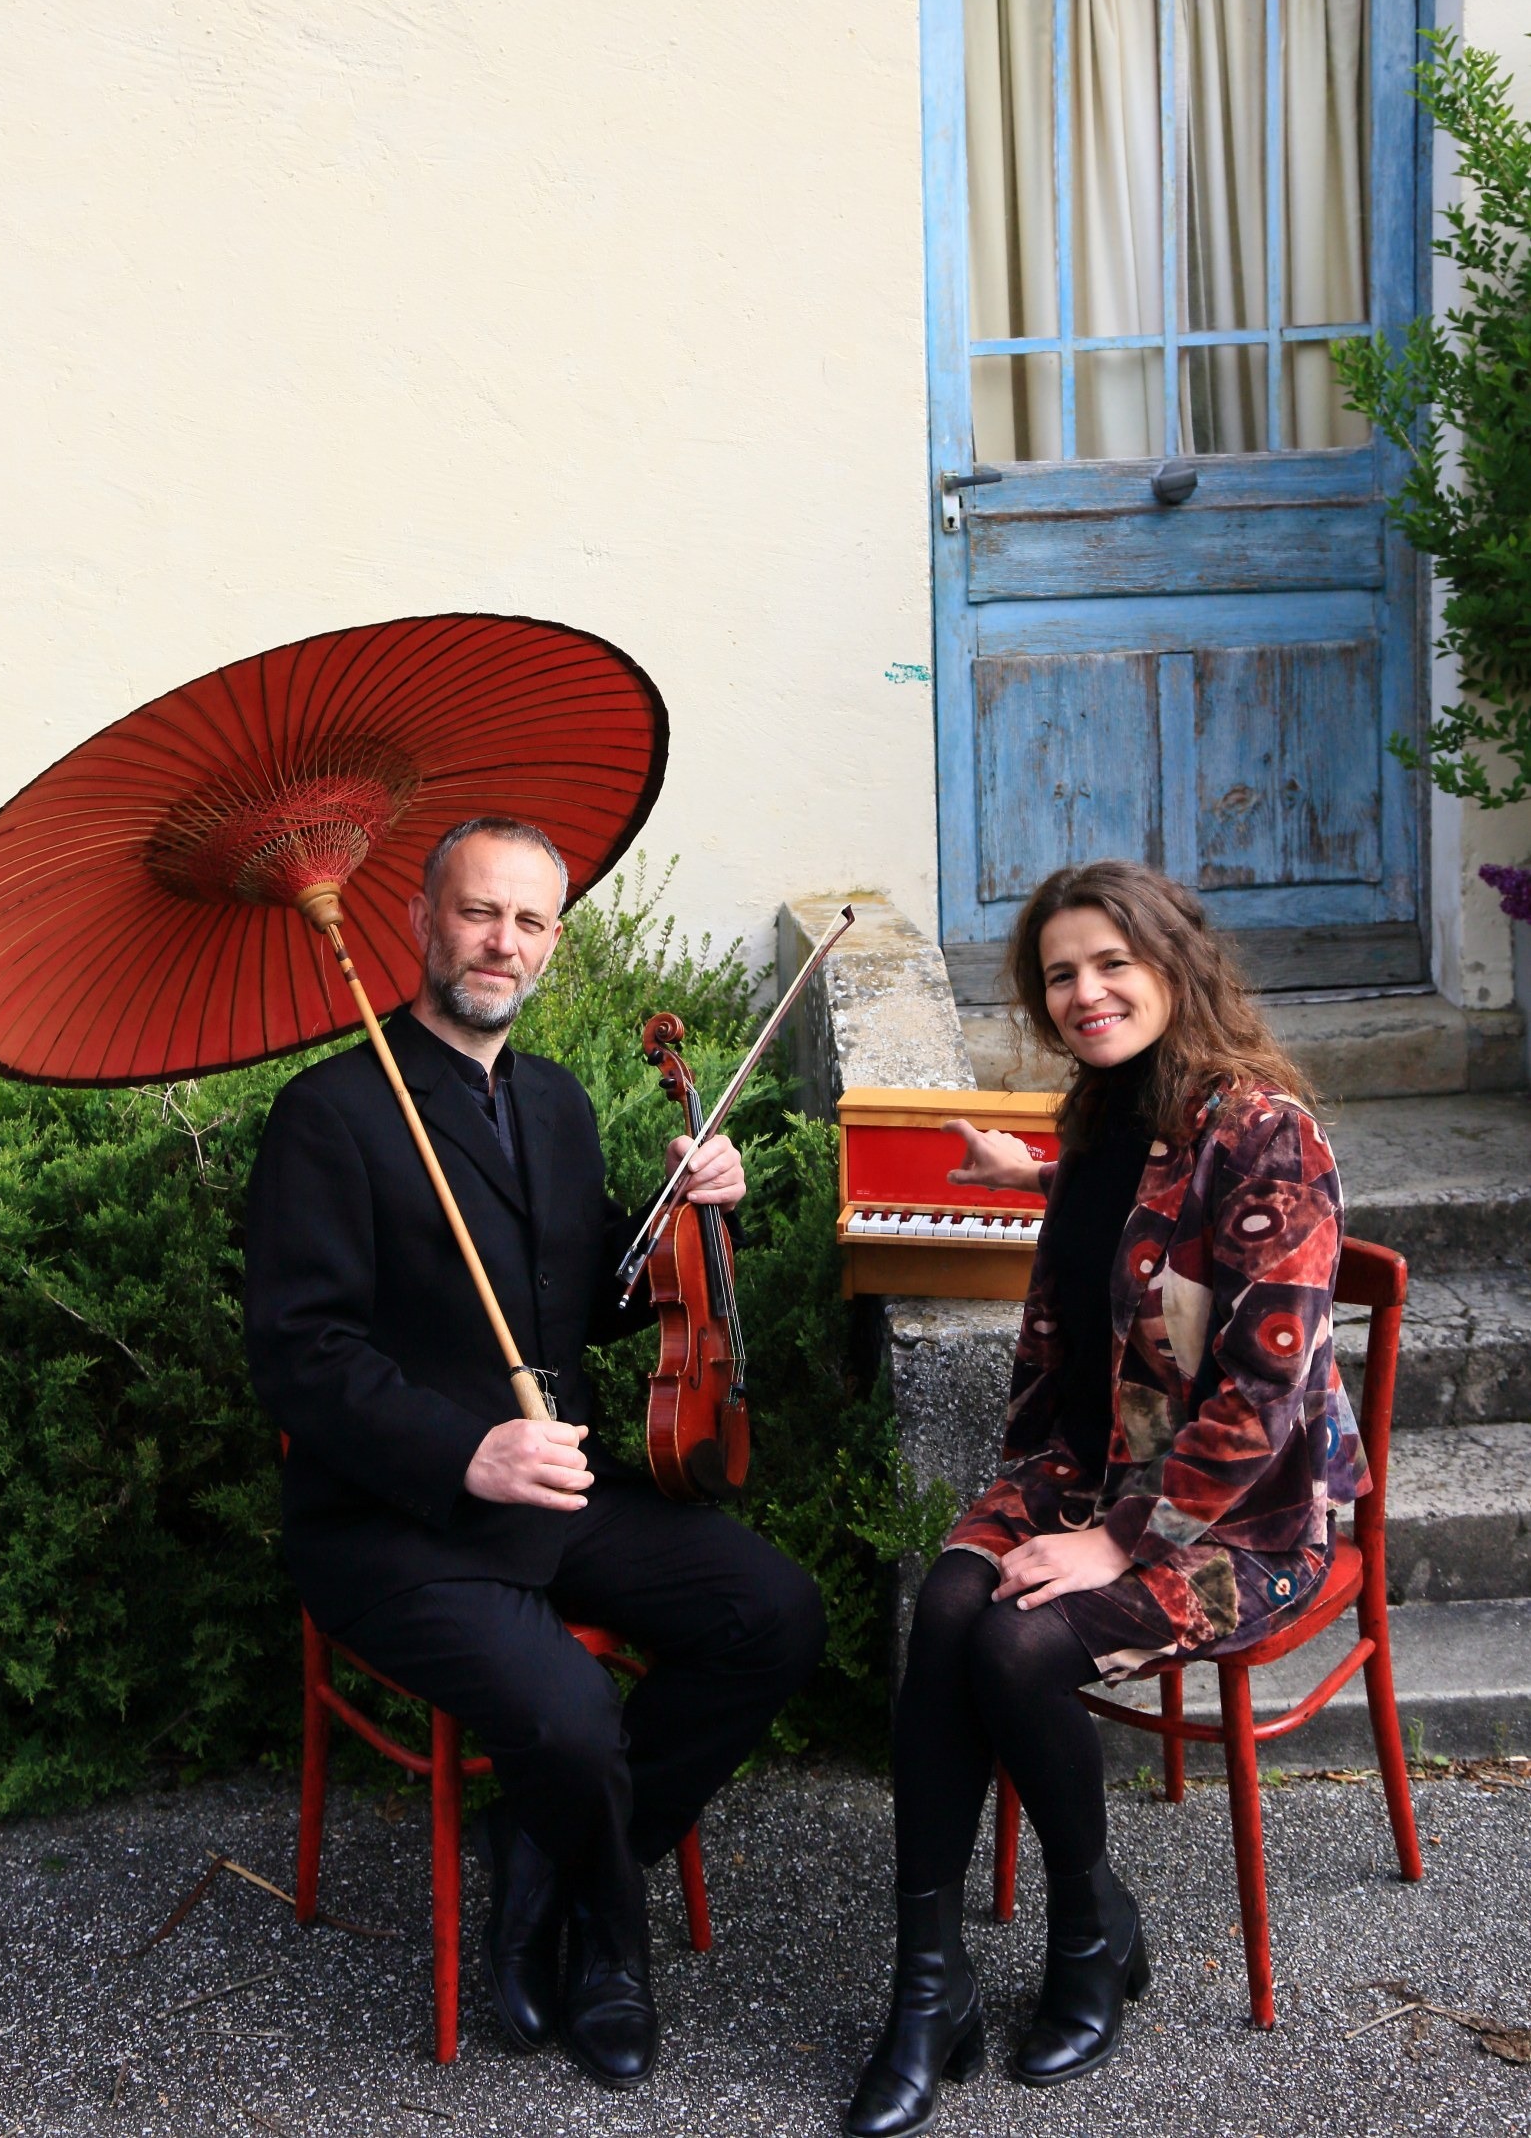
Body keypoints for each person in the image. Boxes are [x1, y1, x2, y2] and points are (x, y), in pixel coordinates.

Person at [245, 816, 825, 2091]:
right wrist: (466, 1452)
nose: (501, 940)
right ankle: (610, 1948)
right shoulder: (329, 1112)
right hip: (390, 1521)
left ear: (554, 942)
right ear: (419, 922)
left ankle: (544, 1855)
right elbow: (302, 1353)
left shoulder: (554, 1101)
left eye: (529, 919)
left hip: (554, 1490)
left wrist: (688, 1219)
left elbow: (589, 1294)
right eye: (476, 911)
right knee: (569, 1717)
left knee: (772, 1610)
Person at [847, 860, 1366, 2137]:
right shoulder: (1103, 1118)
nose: (1083, 992)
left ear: (1173, 962)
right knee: (948, 1611)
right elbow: (1131, 1227)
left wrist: (1115, 1540)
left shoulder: (1266, 1135)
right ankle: (928, 1989)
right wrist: (1025, 1173)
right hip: (1073, 1471)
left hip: (1239, 1522)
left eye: (1109, 964)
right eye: (1059, 973)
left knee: (1019, 1644)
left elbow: (1258, 1396)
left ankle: (1090, 1929)